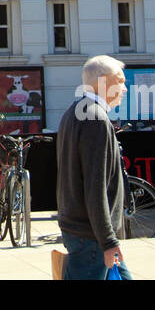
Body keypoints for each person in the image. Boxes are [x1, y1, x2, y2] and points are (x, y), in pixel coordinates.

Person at [56, 55, 132, 280]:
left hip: (86, 233)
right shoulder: (95, 119)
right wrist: (108, 241)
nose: (124, 88)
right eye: (120, 81)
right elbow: (94, 186)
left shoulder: (74, 111)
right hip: (91, 238)